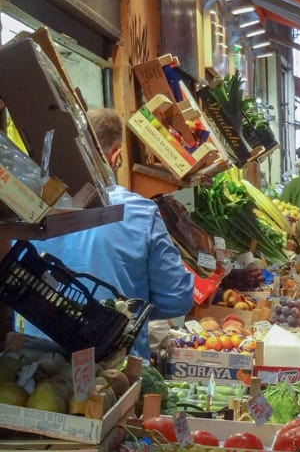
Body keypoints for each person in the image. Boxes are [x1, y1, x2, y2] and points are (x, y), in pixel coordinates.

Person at [26, 108, 194, 360]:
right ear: (115, 156)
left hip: (39, 365)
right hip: (115, 365)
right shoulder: (140, 212)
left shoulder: (31, 208)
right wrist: (124, 310)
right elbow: (176, 299)